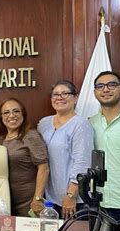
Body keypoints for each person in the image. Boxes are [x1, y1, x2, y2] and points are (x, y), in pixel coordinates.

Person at [38, 80, 94, 219]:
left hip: (74, 200)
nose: (59, 97)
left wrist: (71, 195)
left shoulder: (81, 125)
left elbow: (82, 162)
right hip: (50, 200)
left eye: (65, 93)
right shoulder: (43, 123)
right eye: (55, 94)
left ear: (75, 98)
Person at [0, 98, 49, 217]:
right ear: (1, 117)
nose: (11, 115)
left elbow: (44, 168)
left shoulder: (31, 136)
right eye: (6, 112)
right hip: (6, 200)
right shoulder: (0, 139)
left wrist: (38, 198)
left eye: (16, 111)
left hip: (28, 202)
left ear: (23, 114)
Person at [89, 71, 120, 222]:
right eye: (100, 86)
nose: (105, 89)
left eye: (112, 84)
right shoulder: (89, 123)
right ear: (95, 92)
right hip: (99, 203)